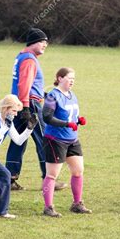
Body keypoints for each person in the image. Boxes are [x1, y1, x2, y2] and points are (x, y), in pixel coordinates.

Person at [6, 28, 67, 191]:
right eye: (42, 41)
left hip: (19, 103)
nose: (45, 45)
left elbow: (25, 84)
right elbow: (24, 84)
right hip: (29, 105)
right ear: (33, 42)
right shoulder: (29, 60)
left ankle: (9, 178)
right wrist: (27, 107)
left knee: (18, 140)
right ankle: (49, 179)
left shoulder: (21, 56)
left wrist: (42, 94)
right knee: (46, 139)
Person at [41, 67, 90, 217]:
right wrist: (66, 124)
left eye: (74, 79)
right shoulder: (52, 96)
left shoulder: (72, 95)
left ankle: (77, 204)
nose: (72, 82)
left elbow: (70, 115)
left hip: (72, 139)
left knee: (78, 171)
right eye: (69, 78)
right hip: (55, 140)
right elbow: (47, 117)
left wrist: (78, 120)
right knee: (52, 175)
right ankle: (48, 207)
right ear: (60, 78)